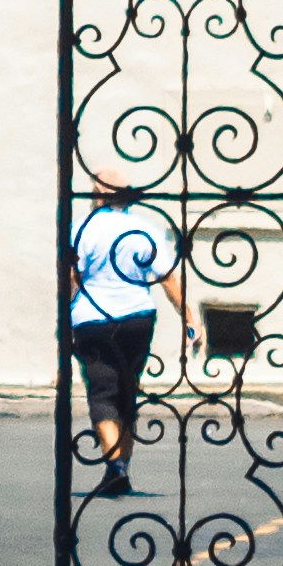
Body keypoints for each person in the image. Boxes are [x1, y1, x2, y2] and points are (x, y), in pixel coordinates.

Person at [67, 158, 172, 478]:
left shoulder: (82, 229)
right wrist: (190, 317)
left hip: (93, 320)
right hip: (138, 317)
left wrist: (62, 318)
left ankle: (115, 464)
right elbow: (167, 277)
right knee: (128, 390)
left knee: (102, 391)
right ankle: (121, 464)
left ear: (97, 196)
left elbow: (73, 278)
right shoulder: (145, 229)